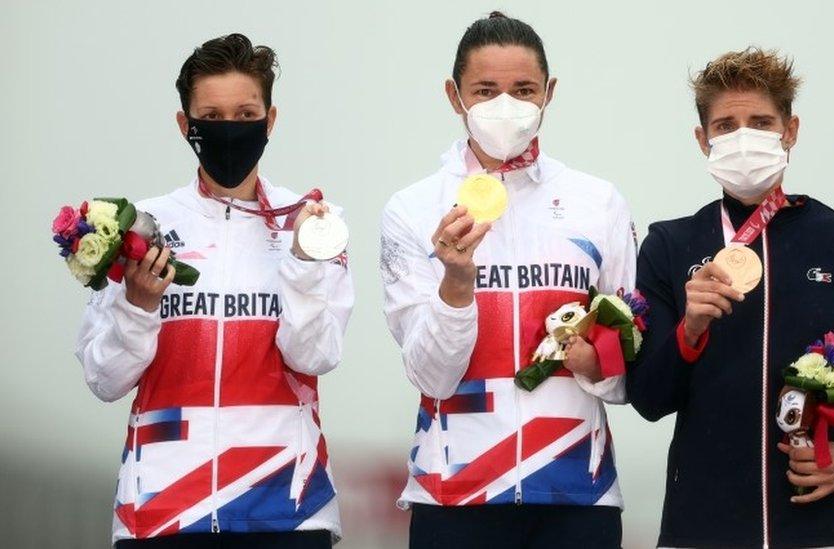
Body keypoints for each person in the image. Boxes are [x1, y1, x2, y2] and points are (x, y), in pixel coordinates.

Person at [626, 47, 834, 548]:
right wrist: (689, 331)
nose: (743, 139)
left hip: (831, 528)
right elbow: (647, 400)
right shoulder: (670, 245)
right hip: (701, 529)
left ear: (790, 131)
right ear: (702, 139)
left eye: (760, 122)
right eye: (725, 125)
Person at [76, 33, 353, 548]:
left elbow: (314, 356)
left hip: (286, 510)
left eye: (246, 115)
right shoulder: (139, 227)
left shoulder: (313, 224)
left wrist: (302, 266)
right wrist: (137, 307)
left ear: (271, 121)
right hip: (161, 509)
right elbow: (103, 379)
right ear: (186, 125)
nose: (230, 129)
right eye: (213, 115)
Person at [380, 12, 635, 549]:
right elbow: (431, 375)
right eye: (485, 90)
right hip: (454, 494)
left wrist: (602, 364)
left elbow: (628, 360)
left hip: (578, 495)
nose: (506, 108)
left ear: (550, 92)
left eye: (523, 90)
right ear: (455, 96)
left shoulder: (598, 201)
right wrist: (455, 283)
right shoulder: (411, 209)